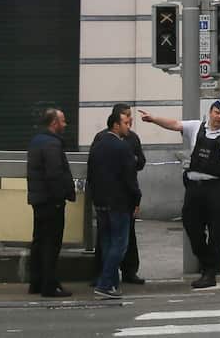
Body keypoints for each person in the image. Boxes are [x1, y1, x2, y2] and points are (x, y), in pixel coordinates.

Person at [139, 98, 220, 289]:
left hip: (215, 189)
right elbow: (174, 124)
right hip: (194, 188)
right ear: (210, 112)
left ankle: (209, 273)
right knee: (191, 225)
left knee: (215, 232)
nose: (219, 117)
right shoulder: (197, 126)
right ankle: (209, 262)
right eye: (216, 112)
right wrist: (153, 119)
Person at [86, 109, 141, 299]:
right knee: (120, 244)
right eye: (126, 122)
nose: (129, 126)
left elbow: (90, 174)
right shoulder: (122, 147)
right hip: (119, 202)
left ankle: (111, 284)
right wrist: (136, 199)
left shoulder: (97, 145)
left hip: (101, 202)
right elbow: (130, 178)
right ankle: (105, 283)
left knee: (107, 242)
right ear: (116, 125)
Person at [26, 107, 76, 298]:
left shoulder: (37, 141)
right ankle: (49, 285)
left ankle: (36, 282)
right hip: (50, 201)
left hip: (39, 200)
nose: (65, 124)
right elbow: (55, 174)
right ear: (54, 123)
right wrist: (60, 198)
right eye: (62, 121)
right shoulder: (52, 145)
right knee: (51, 244)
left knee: (39, 241)